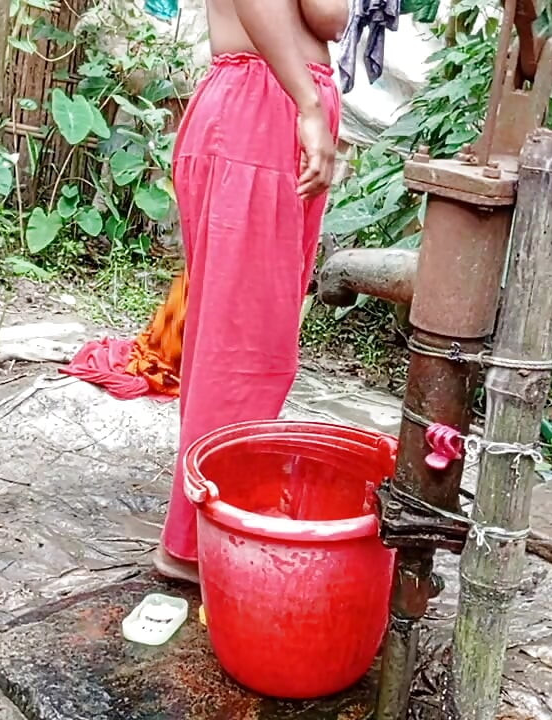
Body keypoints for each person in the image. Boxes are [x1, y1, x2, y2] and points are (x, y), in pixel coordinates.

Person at [151, 0, 348, 584]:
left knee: (235, 344)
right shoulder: (287, 92)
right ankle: (192, 543)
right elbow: (325, 13)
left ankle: (203, 523)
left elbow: (328, 18)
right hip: (265, 113)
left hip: (258, 111)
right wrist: (309, 106)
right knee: (243, 352)